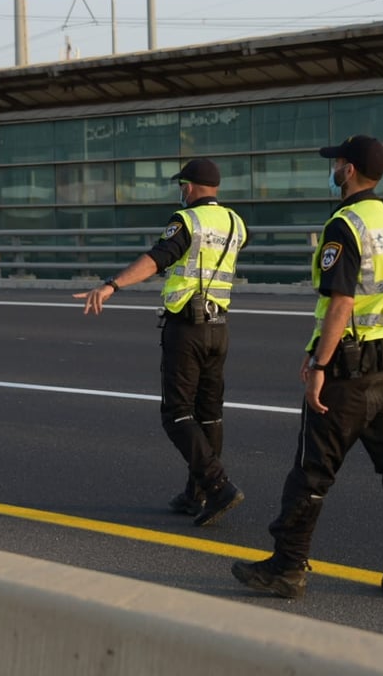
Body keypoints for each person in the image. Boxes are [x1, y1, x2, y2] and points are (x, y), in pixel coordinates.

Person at [231, 134, 383, 599]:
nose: (334, 169)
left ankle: (287, 567)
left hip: (348, 370)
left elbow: (342, 301)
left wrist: (319, 365)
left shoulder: (345, 224)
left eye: (337, 163)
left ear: (348, 170)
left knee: (312, 472)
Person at [76, 158, 248, 527]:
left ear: (188, 187)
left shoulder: (185, 221)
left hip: (187, 326)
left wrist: (112, 284)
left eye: (181, 185)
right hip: (219, 327)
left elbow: (157, 259)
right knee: (210, 413)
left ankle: (217, 486)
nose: (180, 192)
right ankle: (196, 494)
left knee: (177, 413)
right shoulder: (236, 223)